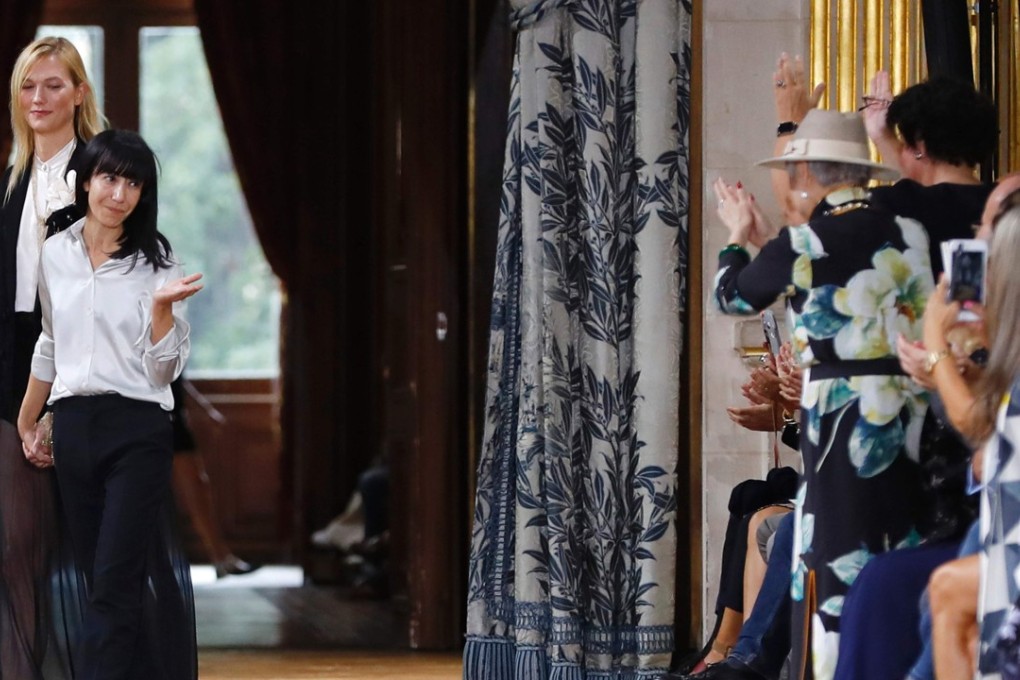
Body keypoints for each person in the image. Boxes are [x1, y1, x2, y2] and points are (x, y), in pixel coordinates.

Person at [714, 108, 933, 679]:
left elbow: (734, 297)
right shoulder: (910, 232)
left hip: (841, 418)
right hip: (908, 408)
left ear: (807, 172)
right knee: (896, 551)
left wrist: (737, 239)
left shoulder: (807, 240)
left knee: (837, 565)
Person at [17, 129, 201, 680]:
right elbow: (50, 342)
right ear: (86, 181)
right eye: (110, 178)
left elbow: (164, 369)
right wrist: (29, 420)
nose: (119, 194)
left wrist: (163, 313)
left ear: (145, 194)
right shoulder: (56, 252)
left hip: (138, 430)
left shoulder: (158, 260)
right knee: (100, 582)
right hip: (74, 428)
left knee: (116, 582)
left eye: (134, 184)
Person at [0, 35, 104, 678]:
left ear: (79, 93)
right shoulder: (11, 179)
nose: (38, 97)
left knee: (84, 559)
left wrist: (53, 407)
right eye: (28, 85)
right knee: (17, 549)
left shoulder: (101, 177)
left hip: (81, 377)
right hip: (10, 374)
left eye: (53, 84)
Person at [170, 375, 257, 578]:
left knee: (198, 490)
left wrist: (204, 409)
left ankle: (220, 557)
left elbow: (177, 378)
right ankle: (219, 557)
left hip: (173, 419)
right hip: (149, 419)